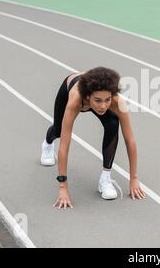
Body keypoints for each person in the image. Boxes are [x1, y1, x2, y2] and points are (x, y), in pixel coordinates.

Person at [40, 67, 146, 209]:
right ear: (89, 96)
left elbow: (130, 140)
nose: (103, 106)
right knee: (58, 131)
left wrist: (134, 179)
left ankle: (105, 179)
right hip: (69, 89)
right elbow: (65, 145)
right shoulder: (75, 101)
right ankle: (47, 144)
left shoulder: (116, 102)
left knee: (113, 124)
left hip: (91, 93)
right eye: (98, 100)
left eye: (107, 100)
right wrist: (62, 187)